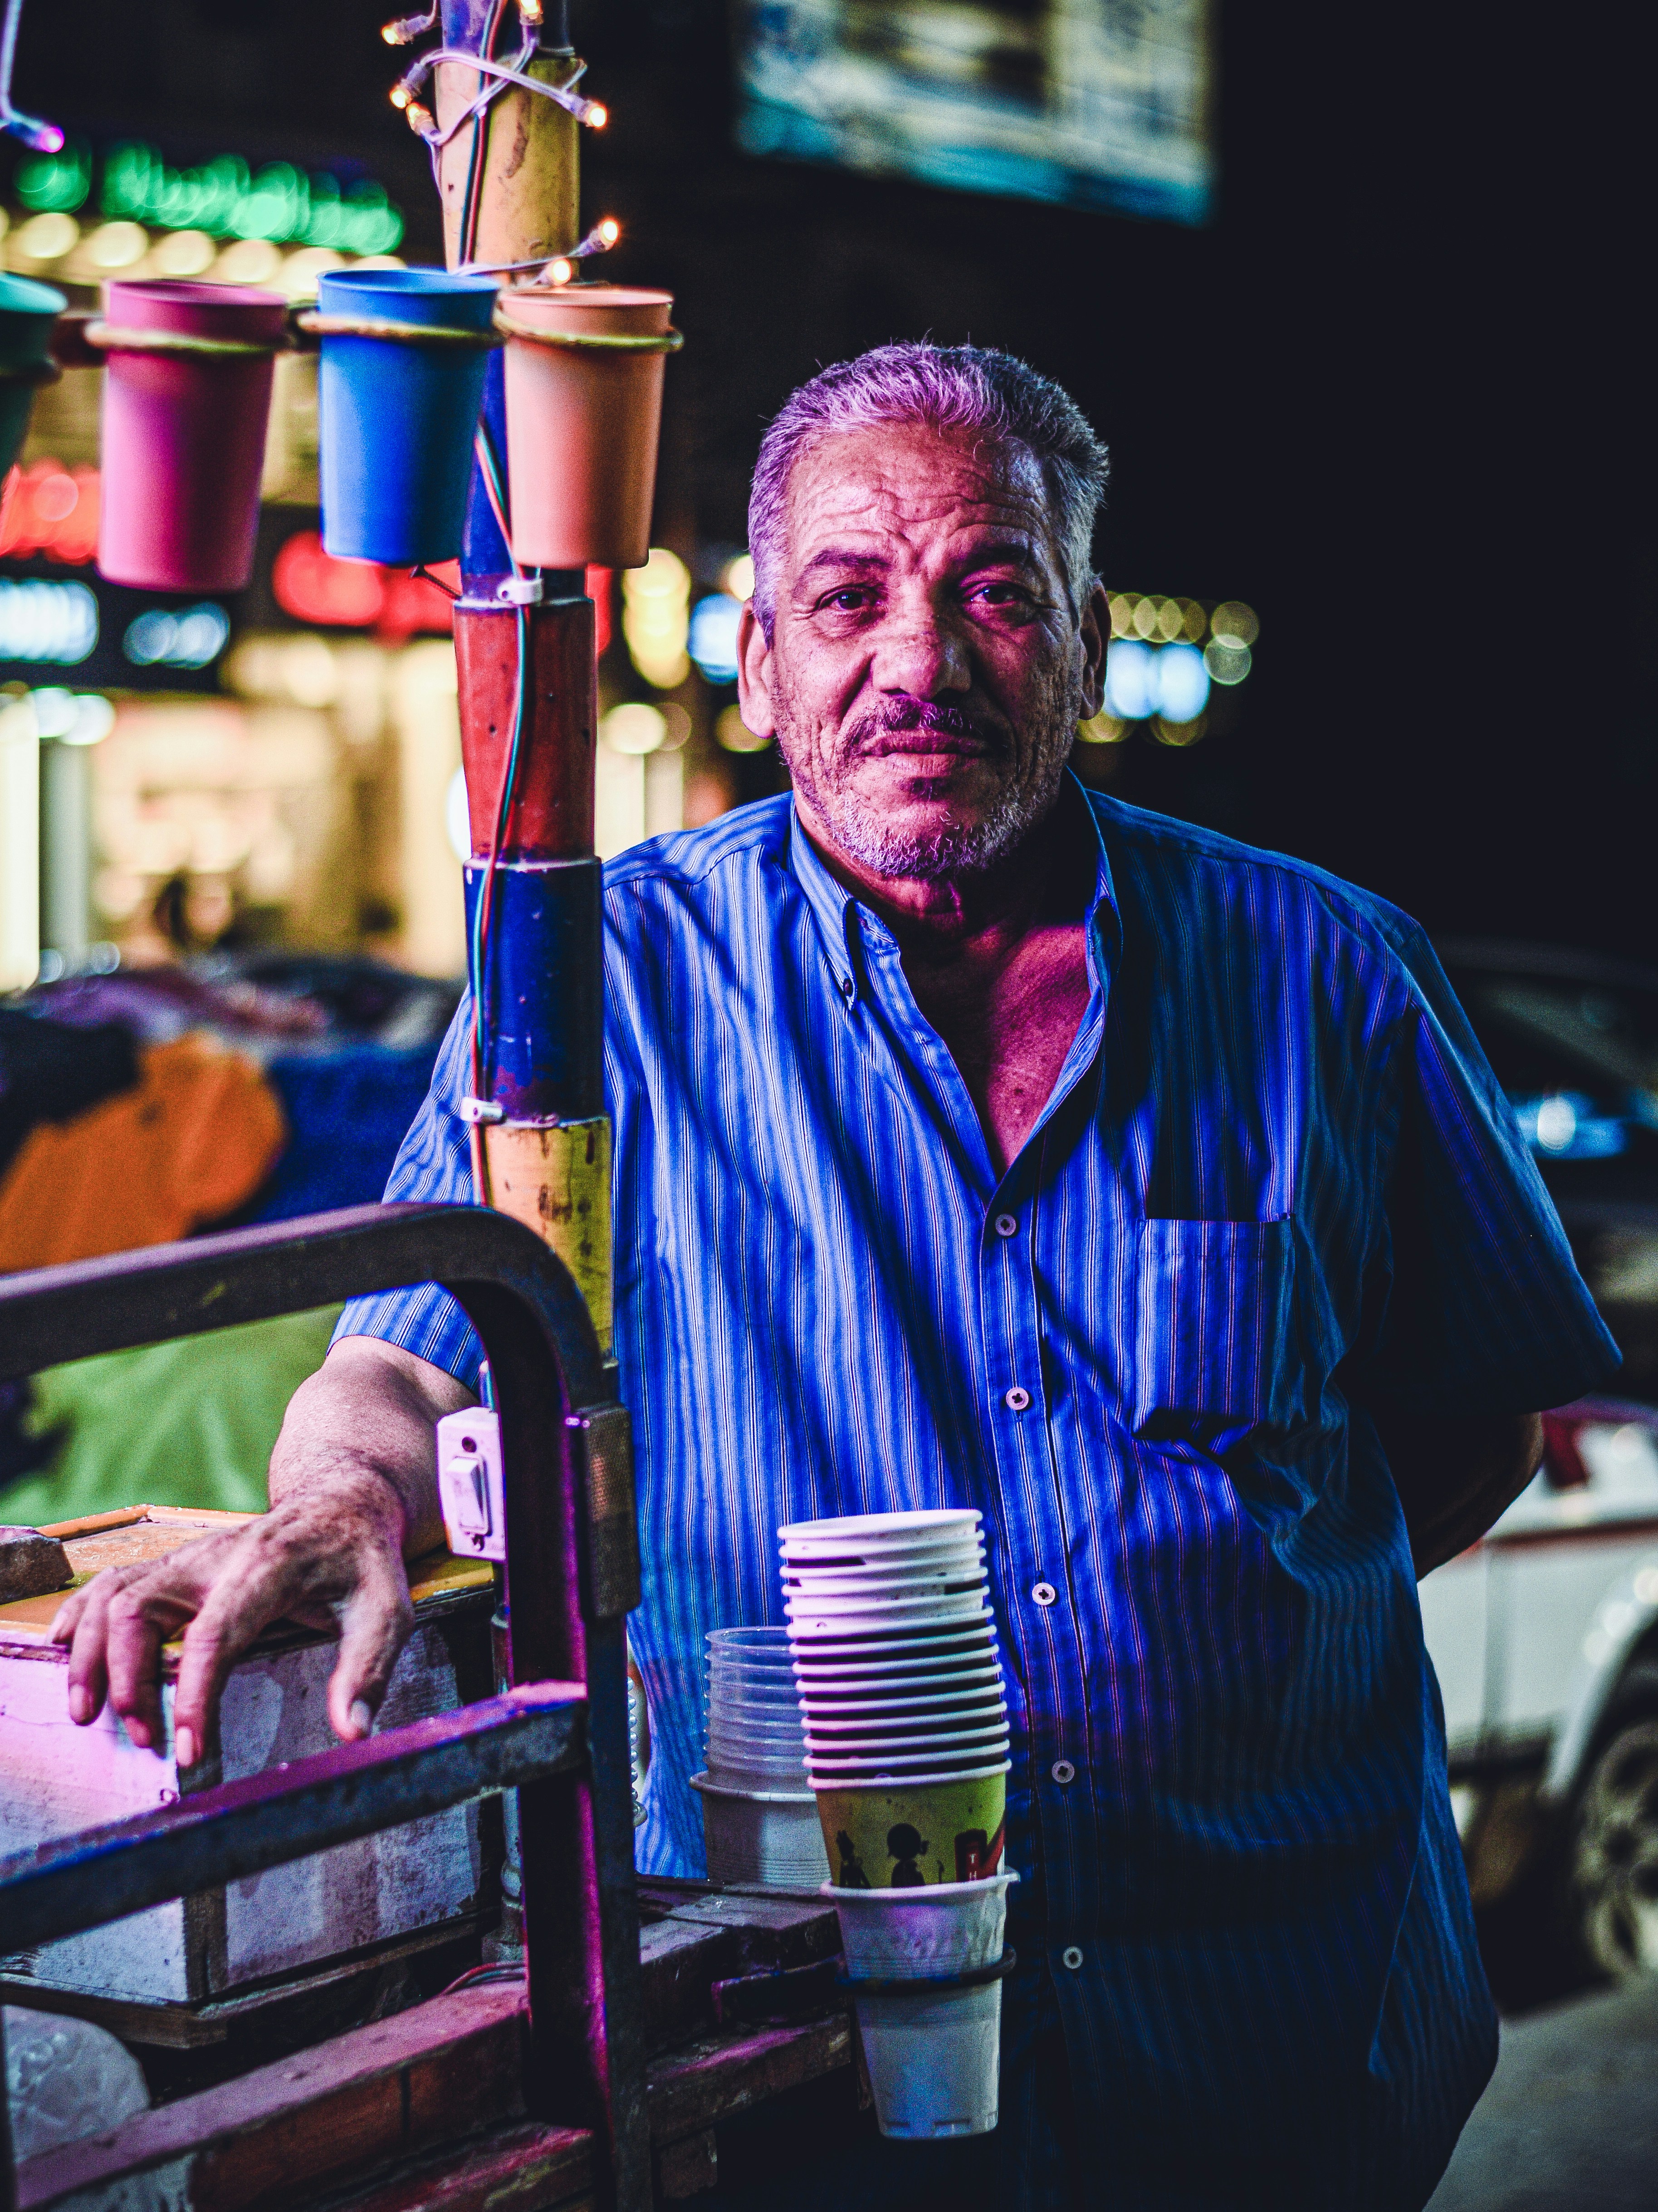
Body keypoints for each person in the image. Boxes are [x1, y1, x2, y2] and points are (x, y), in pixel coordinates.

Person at [51, 344, 1617, 2208]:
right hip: (788, 2057)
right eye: (848, 596)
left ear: (1088, 639)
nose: (918, 662)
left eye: (992, 591)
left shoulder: (1326, 975)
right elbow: (403, 1371)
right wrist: (331, 1498)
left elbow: (1468, 1427)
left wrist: (1216, 1645)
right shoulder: (603, 987)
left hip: (1271, 2022)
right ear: (755, 657)